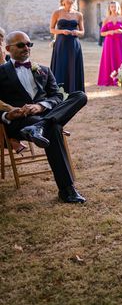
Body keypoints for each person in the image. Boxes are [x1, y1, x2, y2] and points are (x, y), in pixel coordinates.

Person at [0, 31, 87, 203]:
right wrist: (8, 114)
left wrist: (40, 106)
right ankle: (66, 190)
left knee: (80, 96)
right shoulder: (1, 73)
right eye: (21, 45)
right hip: (20, 122)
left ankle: (41, 126)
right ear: (8, 48)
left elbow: (56, 97)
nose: (26, 48)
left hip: (44, 115)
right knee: (54, 129)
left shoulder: (44, 70)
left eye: (28, 44)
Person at [49, 0, 85, 93]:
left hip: (74, 44)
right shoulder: (57, 13)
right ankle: (59, 91)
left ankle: (74, 90)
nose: (69, 0)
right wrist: (61, 31)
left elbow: (82, 32)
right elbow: (51, 29)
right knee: (61, 65)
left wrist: (77, 32)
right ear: (62, 1)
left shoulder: (79, 14)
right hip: (61, 44)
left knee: (73, 66)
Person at [97, 1, 122, 87]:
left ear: (118, 8)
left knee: (120, 58)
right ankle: (109, 79)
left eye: (115, 7)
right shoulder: (106, 19)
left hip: (120, 42)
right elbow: (102, 33)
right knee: (109, 58)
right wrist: (110, 32)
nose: (114, 9)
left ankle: (121, 79)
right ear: (109, 8)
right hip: (109, 42)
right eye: (112, 7)